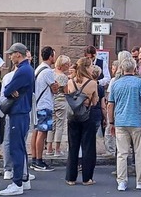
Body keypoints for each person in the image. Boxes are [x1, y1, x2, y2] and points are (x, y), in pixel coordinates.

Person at [107, 57, 141, 191]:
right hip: (137, 121)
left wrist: (111, 122)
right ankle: (140, 181)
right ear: (135, 69)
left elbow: (110, 105)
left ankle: (122, 181)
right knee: (139, 152)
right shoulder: (139, 82)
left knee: (122, 153)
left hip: (120, 121)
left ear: (122, 69)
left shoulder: (115, 84)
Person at [0, 43, 35, 196]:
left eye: (11, 54)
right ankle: (24, 179)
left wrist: (10, 91)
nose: (9, 56)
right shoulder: (28, 69)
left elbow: (7, 90)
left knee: (16, 148)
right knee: (20, 146)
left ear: (18, 54)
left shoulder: (22, 71)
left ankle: (17, 182)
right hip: (23, 111)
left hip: (18, 112)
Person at [65, 57, 99, 186]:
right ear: (86, 67)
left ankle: (71, 177)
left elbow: (70, 97)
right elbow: (95, 101)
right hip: (87, 115)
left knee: (73, 146)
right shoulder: (92, 83)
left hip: (73, 116)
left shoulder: (70, 82)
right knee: (88, 147)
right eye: (90, 66)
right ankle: (87, 178)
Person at [31, 46, 57, 171]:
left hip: (38, 104)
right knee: (43, 132)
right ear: (51, 56)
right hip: (45, 105)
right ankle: (39, 161)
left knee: (36, 132)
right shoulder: (47, 71)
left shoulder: (38, 69)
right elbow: (55, 88)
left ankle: (35, 158)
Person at [46, 54, 70, 157]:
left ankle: (49, 148)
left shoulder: (51, 73)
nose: (68, 67)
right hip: (61, 101)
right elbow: (65, 91)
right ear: (63, 65)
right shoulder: (63, 77)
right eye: (67, 65)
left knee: (51, 125)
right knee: (60, 125)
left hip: (51, 101)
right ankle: (57, 149)